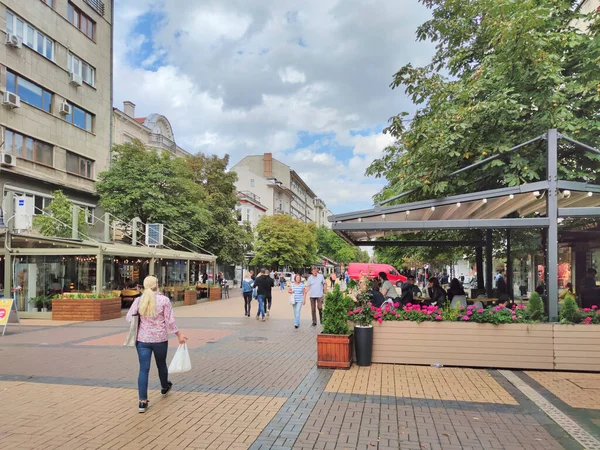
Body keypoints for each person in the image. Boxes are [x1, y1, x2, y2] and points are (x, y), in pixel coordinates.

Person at [126, 276, 187, 413]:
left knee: (143, 369)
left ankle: (142, 401)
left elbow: (129, 317)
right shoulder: (164, 300)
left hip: (142, 340)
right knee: (161, 364)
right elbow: (169, 321)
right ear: (156, 285)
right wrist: (179, 335)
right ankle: (165, 387)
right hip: (160, 339)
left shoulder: (139, 300)